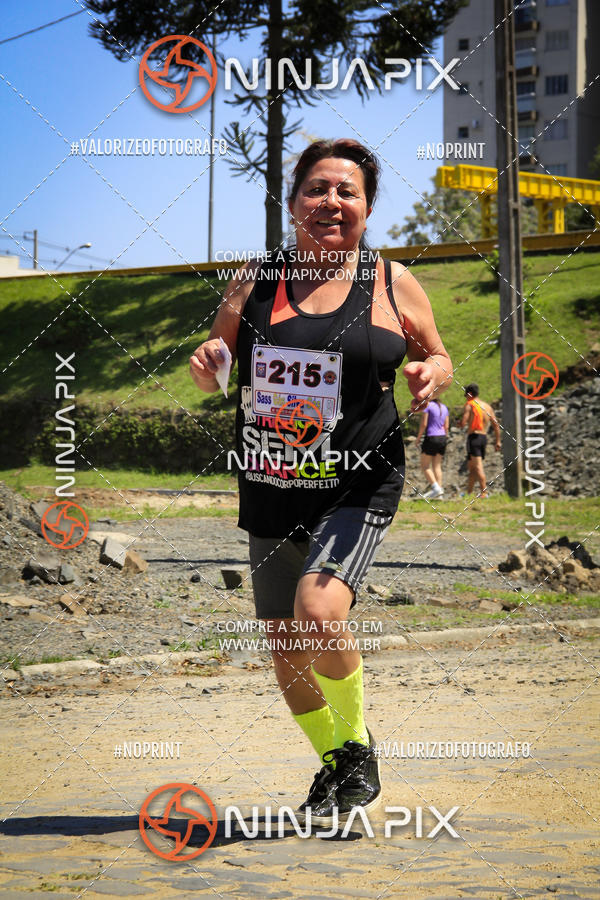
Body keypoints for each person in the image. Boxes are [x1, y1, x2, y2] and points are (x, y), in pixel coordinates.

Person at [190, 138, 452, 824]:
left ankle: (356, 749)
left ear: (366, 208)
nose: (331, 202)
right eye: (317, 189)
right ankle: (340, 758)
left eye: (348, 192)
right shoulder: (256, 279)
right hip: (273, 484)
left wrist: (433, 374)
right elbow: (220, 365)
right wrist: (209, 365)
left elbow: (436, 353)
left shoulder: (392, 282)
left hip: (358, 482)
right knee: (285, 648)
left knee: (319, 611)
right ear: (293, 201)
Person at [460, 383, 501, 497]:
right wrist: (498, 441)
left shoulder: (470, 405)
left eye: (466, 395)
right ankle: (468, 493)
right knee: (472, 467)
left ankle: (484, 492)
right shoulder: (487, 407)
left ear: (470, 394)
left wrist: (460, 423)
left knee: (477, 467)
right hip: (483, 438)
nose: (466, 397)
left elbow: (463, 423)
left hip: (474, 437)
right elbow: (496, 425)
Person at [415, 399, 449, 499]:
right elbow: (446, 426)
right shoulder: (444, 407)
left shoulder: (428, 406)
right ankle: (439, 495)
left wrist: (418, 438)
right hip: (442, 438)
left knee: (425, 466)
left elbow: (424, 424)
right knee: (437, 466)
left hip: (431, 437)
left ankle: (436, 488)